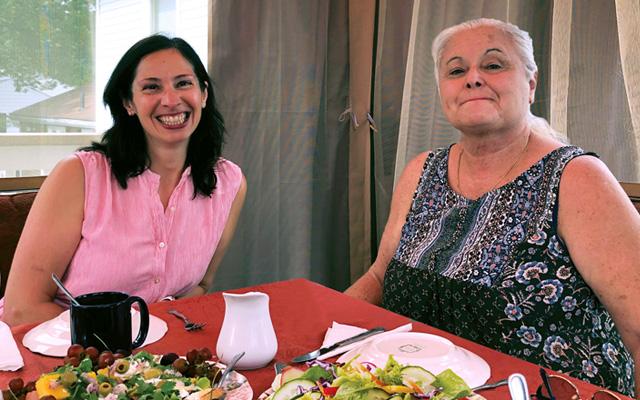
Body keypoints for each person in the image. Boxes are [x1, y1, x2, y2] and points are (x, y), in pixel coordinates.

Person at [346, 18, 640, 396]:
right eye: (456, 70)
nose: (473, 78)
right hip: (415, 387)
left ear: (530, 85)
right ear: (443, 91)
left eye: (493, 64)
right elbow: (378, 278)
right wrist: (322, 337)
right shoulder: (421, 170)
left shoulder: (577, 178)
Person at [2, 35, 246, 327]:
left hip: (147, 361)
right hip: (44, 353)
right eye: (151, 87)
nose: (170, 100)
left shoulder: (229, 183)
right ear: (129, 103)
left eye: (183, 83)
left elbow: (201, 286)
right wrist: (130, 339)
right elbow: (21, 309)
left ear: (203, 94)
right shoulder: (79, 174)